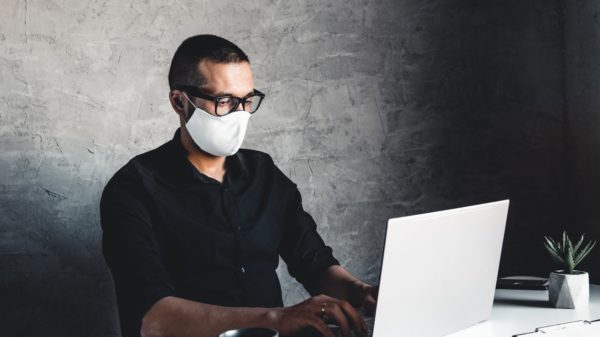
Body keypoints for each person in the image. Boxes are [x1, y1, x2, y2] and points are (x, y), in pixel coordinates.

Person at [100, 34, 378, 337]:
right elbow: (154, 318)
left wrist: (360, 292)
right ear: (180, 102)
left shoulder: (265, 173)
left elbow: (314, 262)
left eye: (246, 101)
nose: (240, 115)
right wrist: (275, 318)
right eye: (225, 101)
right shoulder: (132, 190)